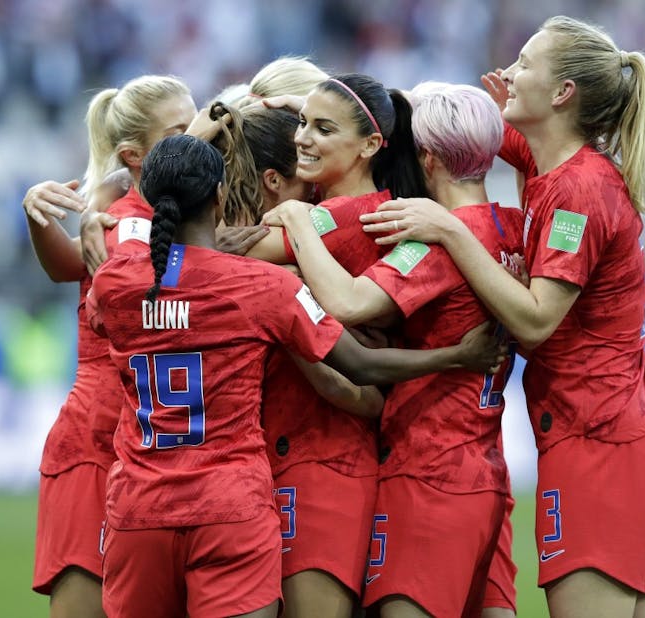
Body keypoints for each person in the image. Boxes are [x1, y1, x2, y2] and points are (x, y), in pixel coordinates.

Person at [86, 133, 504, 618]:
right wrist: (454, 356)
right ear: (220, 197)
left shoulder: (115, 281)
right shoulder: (266, 285)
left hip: (139, 508)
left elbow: (119, 304)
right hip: (230, 508)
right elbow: (360, 364)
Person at [360, 16, 645, 618]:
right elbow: (456, 131)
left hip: (599, 443)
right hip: (625, 434)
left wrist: (451, 232)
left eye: (525, 63)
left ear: (562, 95)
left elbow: (535, 322)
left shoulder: (578, 191)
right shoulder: (552, 163)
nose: (506, 74)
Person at [262, 82, 523, 617]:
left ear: (423, 154)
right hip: (487, 473)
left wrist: (292, 223)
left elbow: (350, 301)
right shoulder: (514, 228)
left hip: (425, 473)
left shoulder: (424, 239)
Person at [241, 72, 429, 617]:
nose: (303, 137)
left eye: (322, 128)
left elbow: (227, 257)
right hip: (320, 449)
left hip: (318, 455)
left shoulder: (337, 217)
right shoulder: (363, 204)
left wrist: (221, 125)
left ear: (371, 146)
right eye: (301, 123)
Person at [23, 74, 196, 618]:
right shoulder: (121, 222)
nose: (197, 137)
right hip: (100, 441)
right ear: (134, 155)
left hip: (159, 448)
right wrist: (39, 214)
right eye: (181, 129)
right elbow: (67, 264)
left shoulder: (184, 217)